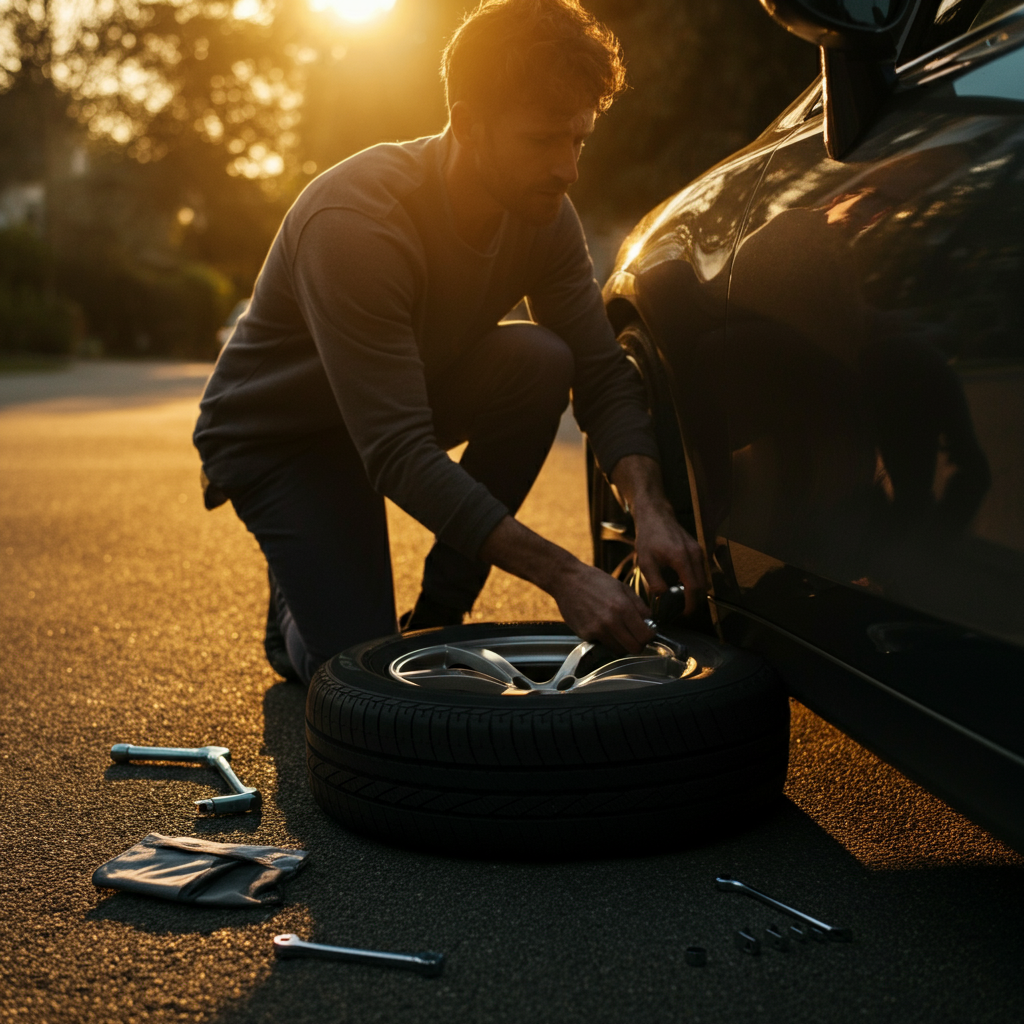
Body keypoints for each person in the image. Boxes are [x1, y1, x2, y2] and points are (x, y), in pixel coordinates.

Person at [193, 0, 706, 685]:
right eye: (543, 140)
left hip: (395, 403)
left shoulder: (543, 212)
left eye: (578, 140)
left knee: (541, 361)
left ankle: (442, 607)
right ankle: (294, 608)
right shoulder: (357, 223)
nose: (567, 169)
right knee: (351, 668)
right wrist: (564, 575)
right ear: (466, 124)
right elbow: (399, 452)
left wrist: (651, 509)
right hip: (281, 436)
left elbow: (601, 373)